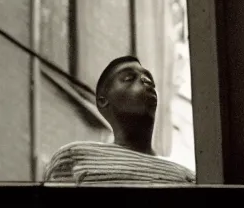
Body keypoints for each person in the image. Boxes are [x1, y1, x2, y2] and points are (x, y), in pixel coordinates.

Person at [43, 56, 195, 185]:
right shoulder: (75, 157)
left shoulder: (186, 177)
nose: (145, 81)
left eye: (149, 79)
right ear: (103, 101)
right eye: (129, 78)